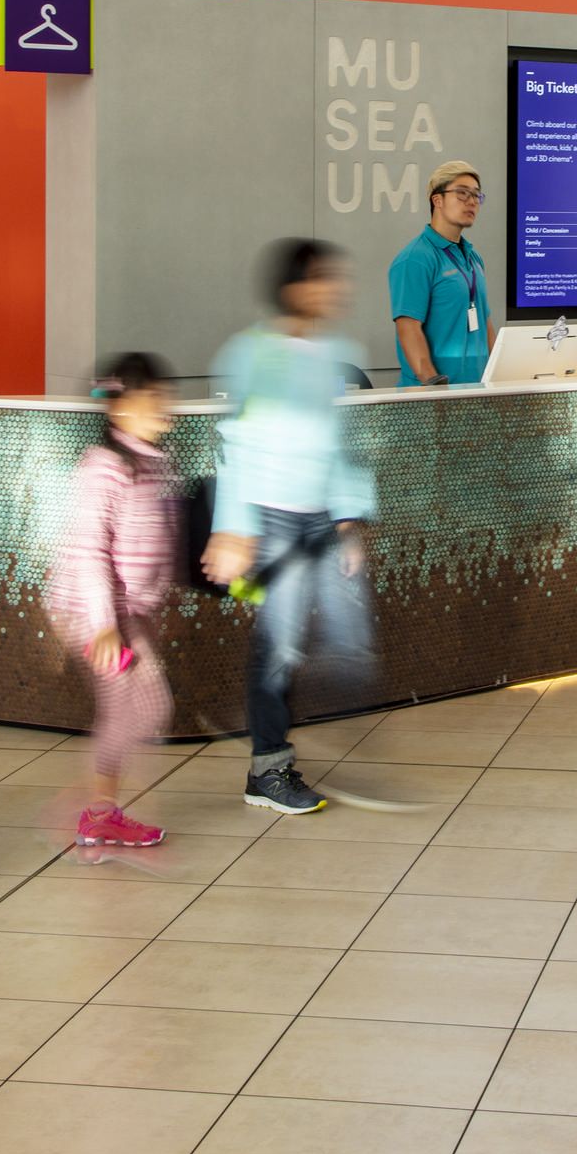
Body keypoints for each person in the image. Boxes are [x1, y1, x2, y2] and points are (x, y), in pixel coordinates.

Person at [204, 238, 376, 814]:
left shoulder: (333, 353)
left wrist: (347, 518)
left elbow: (336, 440)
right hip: (271, 519)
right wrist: (232, 529)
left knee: (344, 639)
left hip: (317, 516)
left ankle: (278, 750)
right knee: (277, 646)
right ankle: (268, 771)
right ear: (293, 288)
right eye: (322, 278)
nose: (335, 289)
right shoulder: (251, 354)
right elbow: (235, 441)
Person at [45, 353, 178, 850]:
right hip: (90, 609)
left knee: (140, 708)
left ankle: (100, 810)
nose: (164, 406)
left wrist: (150, 604)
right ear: (120, 409)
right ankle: (95, 810)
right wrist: (104, 623)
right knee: (140, 707)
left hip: (125, 612)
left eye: (165, 396)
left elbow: (156, 541)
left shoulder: (154, 462)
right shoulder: (104, 467)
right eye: (152, 398)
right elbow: (89, 548)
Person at [390, 159, 495, 387]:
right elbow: (408, 328)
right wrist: (434, 388)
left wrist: (498, 376)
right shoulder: (415, 259)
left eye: (476, 195)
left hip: (476, 392)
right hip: (433, 397)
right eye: (462, 193)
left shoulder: (474, 258)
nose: (472, 201)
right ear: (437, 200)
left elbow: (485, 322)